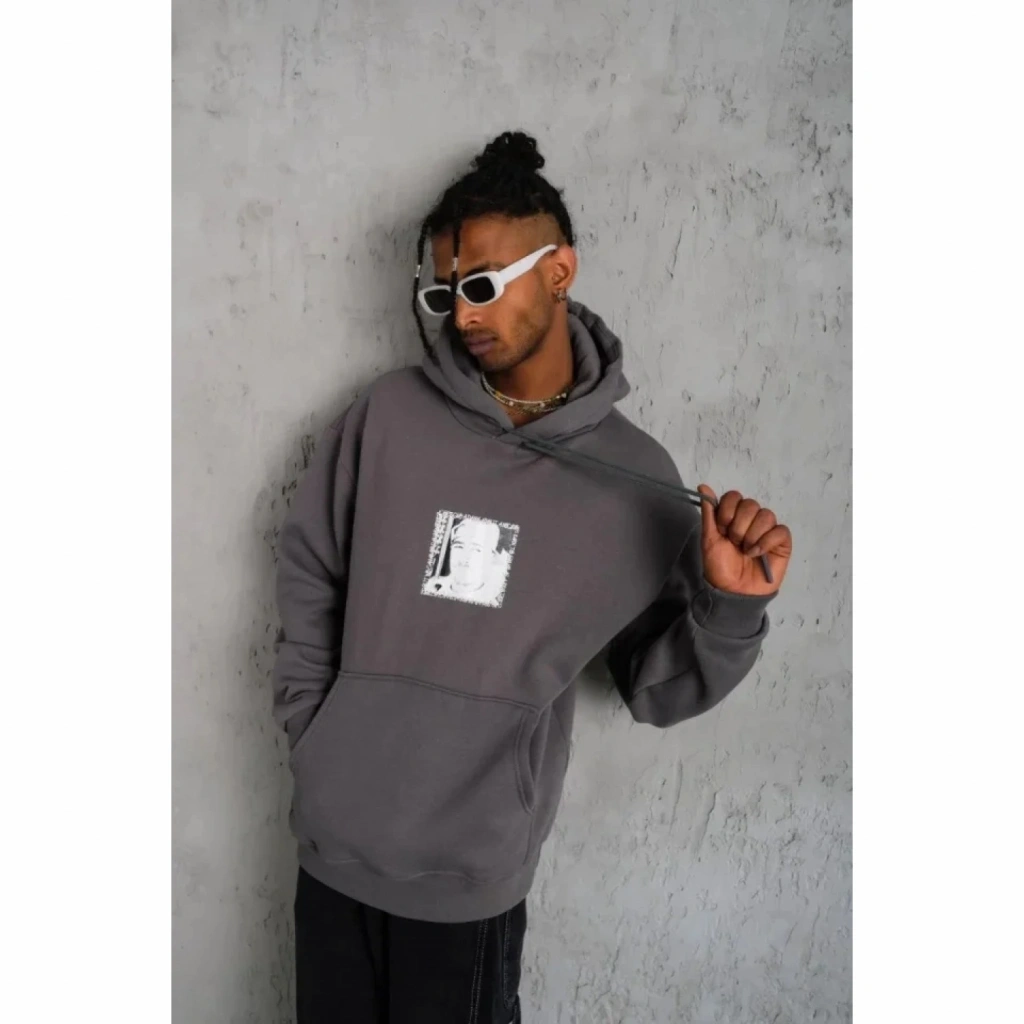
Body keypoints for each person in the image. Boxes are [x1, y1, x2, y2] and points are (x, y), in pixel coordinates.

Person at [272, 130, 793, 1024]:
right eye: (445, 294)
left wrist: (733, 608)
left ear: (559, 271)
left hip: (471, 880)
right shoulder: (386, 418)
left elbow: (656, 689)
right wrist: (316, 738)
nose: (461, 315)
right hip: (332, 850)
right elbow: (311, 571)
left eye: (482, 285)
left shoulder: (636, 481)